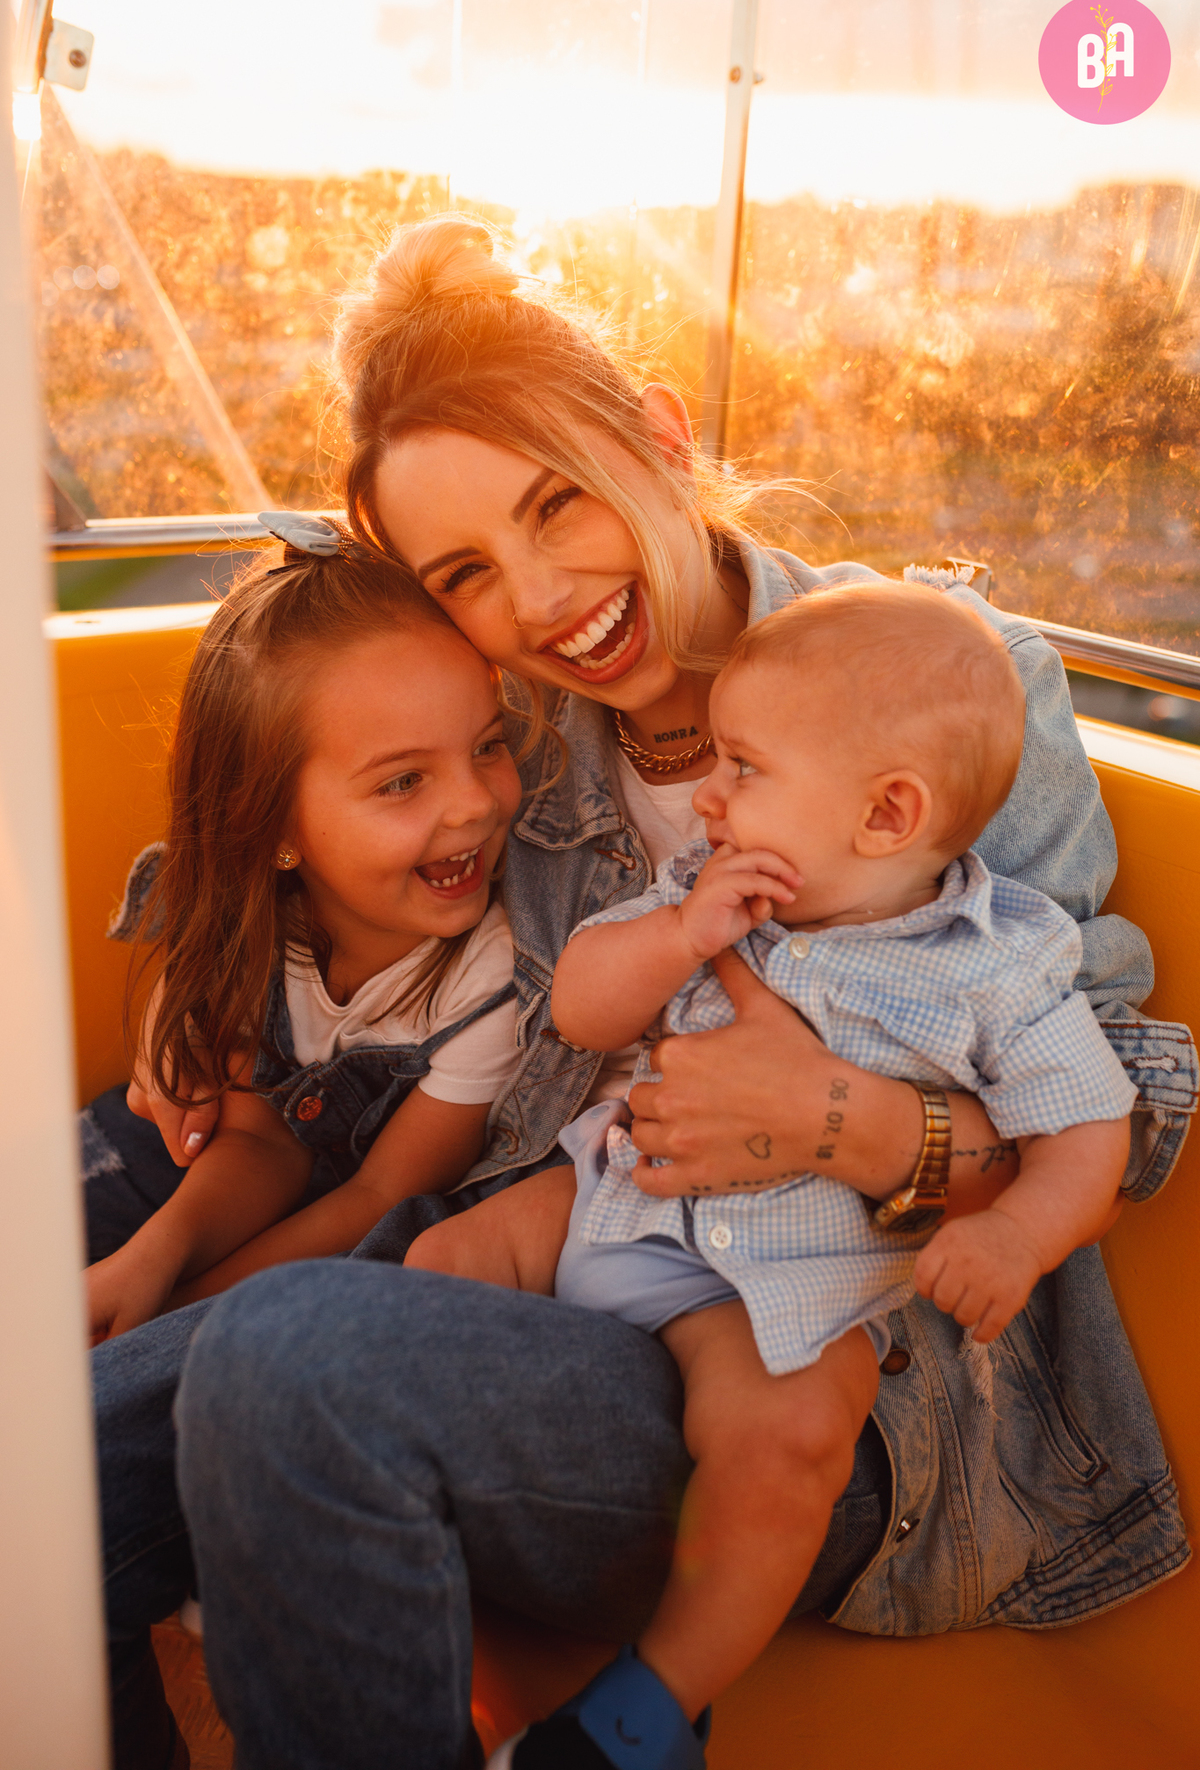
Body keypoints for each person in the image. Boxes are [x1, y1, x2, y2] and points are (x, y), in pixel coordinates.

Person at [91, 217, 1194, 1770]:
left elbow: (1113, 1110)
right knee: (50, 1471)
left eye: (563, 505)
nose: (543, 600)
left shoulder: (947, 684)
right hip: (572, 1266)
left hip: (834, 1384)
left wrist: (846, 1121)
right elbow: (294, 751)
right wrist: (189, 979)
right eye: (471, 572)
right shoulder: (528, 730)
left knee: (287, 1358)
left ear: (660, 437)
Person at [407, 582, 1137, 1769]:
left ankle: (650, 1706)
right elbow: (585, 1008)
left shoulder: (1002, 966)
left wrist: (1017, 1239)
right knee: (438, 1262)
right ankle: (442, 1612)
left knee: (793, 1442)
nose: (710, 793)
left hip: (771, 1301)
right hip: (606, 1199)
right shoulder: (714, 882)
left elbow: (1089, 1132)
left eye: (743, 765)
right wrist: (681, 934)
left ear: (888, 812)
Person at [84, 517, 524, 1341]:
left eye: (489, 745)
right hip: (186, 1173)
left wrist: (170, 1312)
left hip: (336, 1241)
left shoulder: (486, 983)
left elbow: (375, 1199)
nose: (474, 803)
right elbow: (258, 1142)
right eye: (402, 782)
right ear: (277, 828)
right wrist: (155, 1255)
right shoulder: (260, 925)